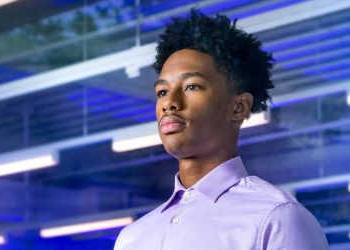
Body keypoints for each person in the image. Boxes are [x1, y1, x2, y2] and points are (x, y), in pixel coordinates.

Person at [114, 9, 329, 250]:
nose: (169, 103)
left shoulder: (277, 218)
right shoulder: (132, 238)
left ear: (239, 107)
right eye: (162, 92)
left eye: (192, 86)